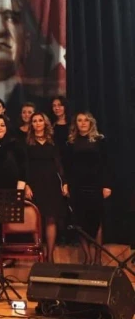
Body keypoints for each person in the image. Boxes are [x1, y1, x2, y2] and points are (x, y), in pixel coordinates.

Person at [65, 112, 112, 265]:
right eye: (80, 120)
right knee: (80, 221)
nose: (83, 123)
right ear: (76, 123)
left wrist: (106, 185)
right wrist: (66, 183)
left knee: (97, 221)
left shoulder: (100, 140)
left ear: (91, 122)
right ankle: (88, 257)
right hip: (77, 186)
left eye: (86, 120)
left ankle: (98, 257)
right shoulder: (71, 142)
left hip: (95, 185)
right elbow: (67, 166)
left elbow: (106, 164)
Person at [25, 112, 67, 263]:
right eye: (34, 121)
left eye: (40, 120)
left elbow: (59, 164)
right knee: (36, 220)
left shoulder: (53, 141)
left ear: (45, 123)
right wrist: (26, 185)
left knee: (51, 218)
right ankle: (39, 254)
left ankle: (50, 255)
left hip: (51, 183)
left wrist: (64, 182)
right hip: (34, 184)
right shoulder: (27, 143)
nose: (37, 123)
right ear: (31, 124)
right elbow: (24, 166)